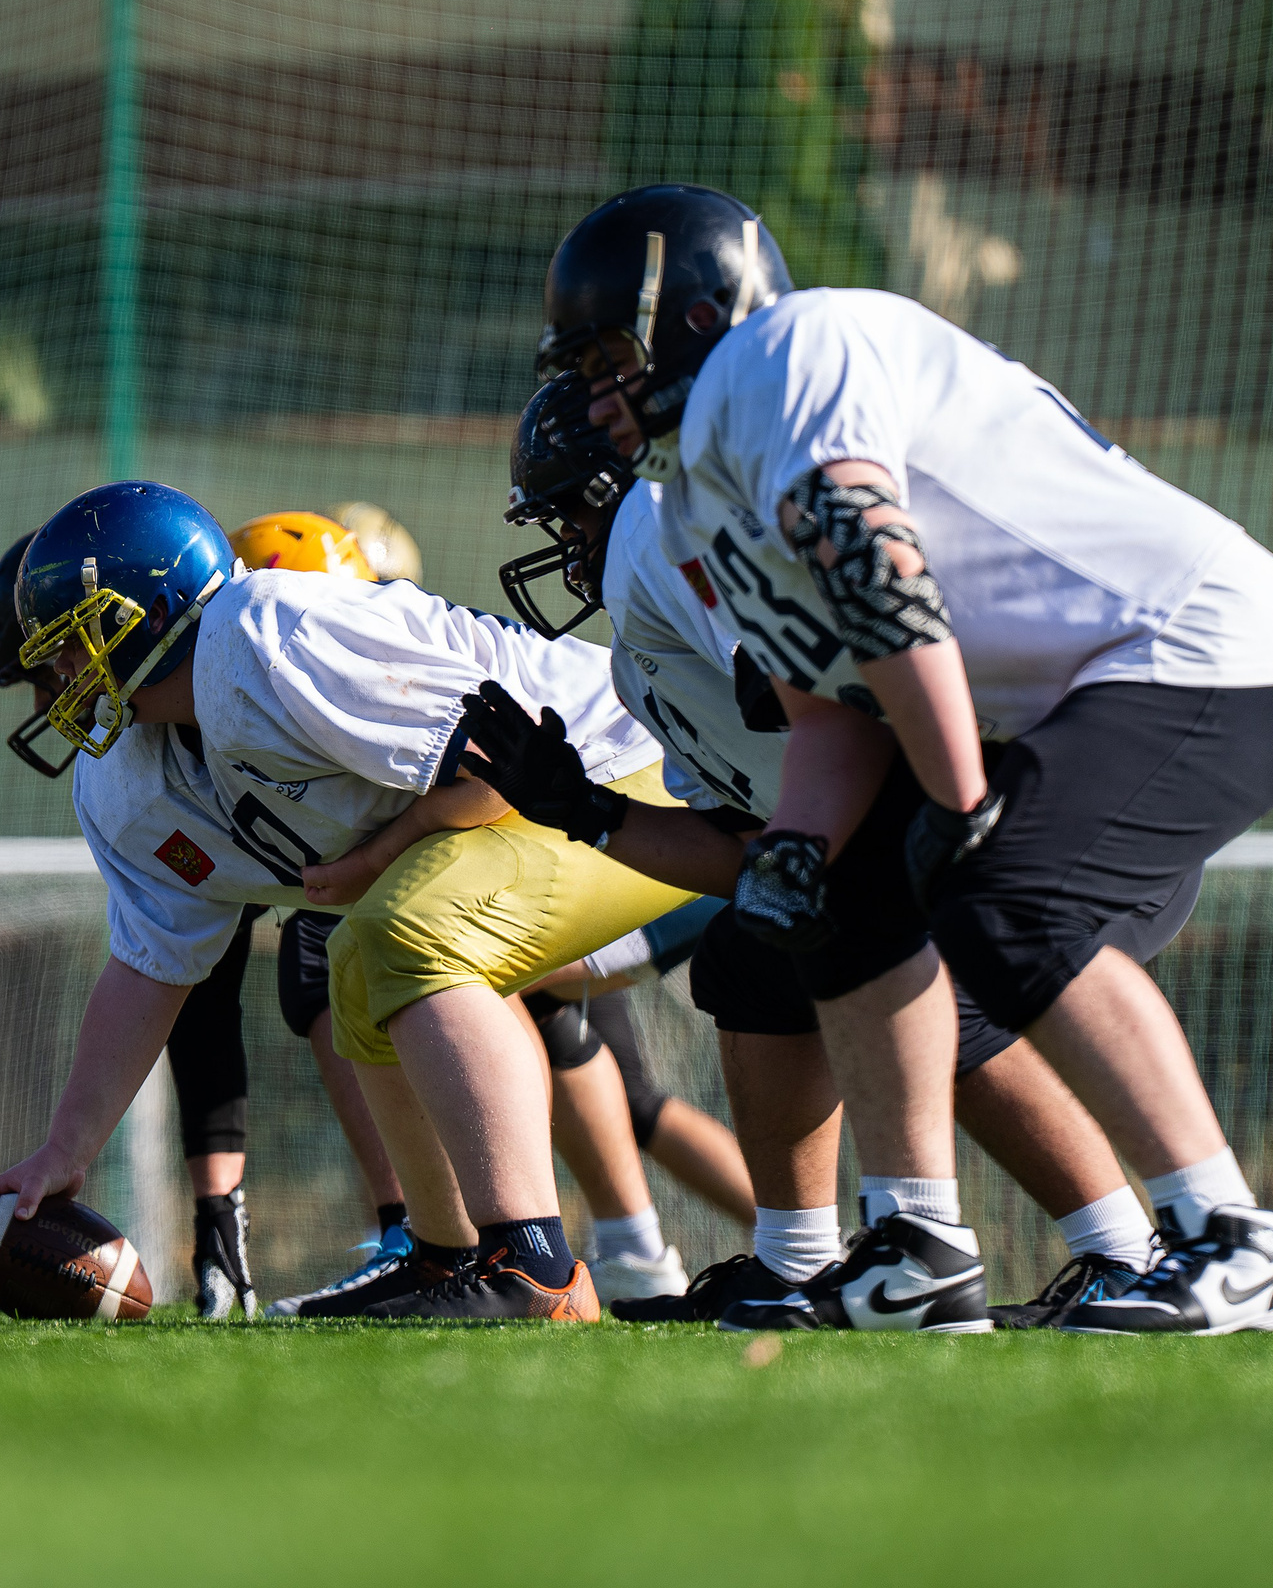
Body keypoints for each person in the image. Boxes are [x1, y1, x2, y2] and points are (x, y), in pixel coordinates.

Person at [509, 184, 1273, 1334]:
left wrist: (955, 800)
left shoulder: (789, 350)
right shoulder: (697, 489)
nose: (591, 394)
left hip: (1200, 646)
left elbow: (871, 556)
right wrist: (791, 856)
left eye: (602, 355)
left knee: (1005, 899)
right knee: (832, 898)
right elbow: (831, 715)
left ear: (689, 319)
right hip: (1080, 689)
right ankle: (918, 1248)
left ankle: (1227, 1239)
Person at [473, 374, 1177, 1326]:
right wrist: (588, 811)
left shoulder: (665, 527)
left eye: (562, 513)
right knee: (754, 953)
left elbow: (836, 682)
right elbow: (749, 852)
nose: (559, 546)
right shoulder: (646, 659)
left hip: (1041, 790)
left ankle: (1123, 1255)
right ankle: (795, 1259)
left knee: (926, 972)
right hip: (931, 811)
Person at [0, 480, 695, 1322]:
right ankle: (443, 1252)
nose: (57, 675)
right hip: (527, 808)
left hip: (629, 772)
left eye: (75, 641)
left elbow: (506, 755)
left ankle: (532, 1262)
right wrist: (65, 1151)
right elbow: (149, 967)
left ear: (153, 612)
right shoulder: (123, 779)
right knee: (352, 962)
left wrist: (378, 855)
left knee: (405, 931)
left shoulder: (270, 638)